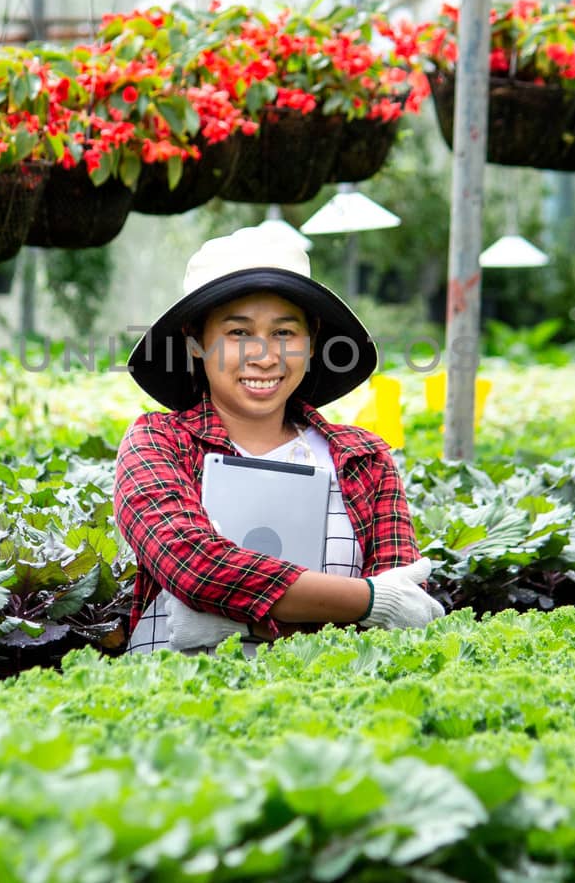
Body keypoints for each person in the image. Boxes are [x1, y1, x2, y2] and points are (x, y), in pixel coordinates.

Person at [114, 224, 445, 654]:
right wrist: (367, 601)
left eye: (284, 333)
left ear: (311, 342)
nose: (265, 356)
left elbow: (406, 606)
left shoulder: (363, 459)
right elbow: (195, 566)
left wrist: (227, 617)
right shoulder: (157, 443)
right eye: (238, 333)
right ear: (196, 341)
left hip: (322, 707)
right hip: (168, 705)